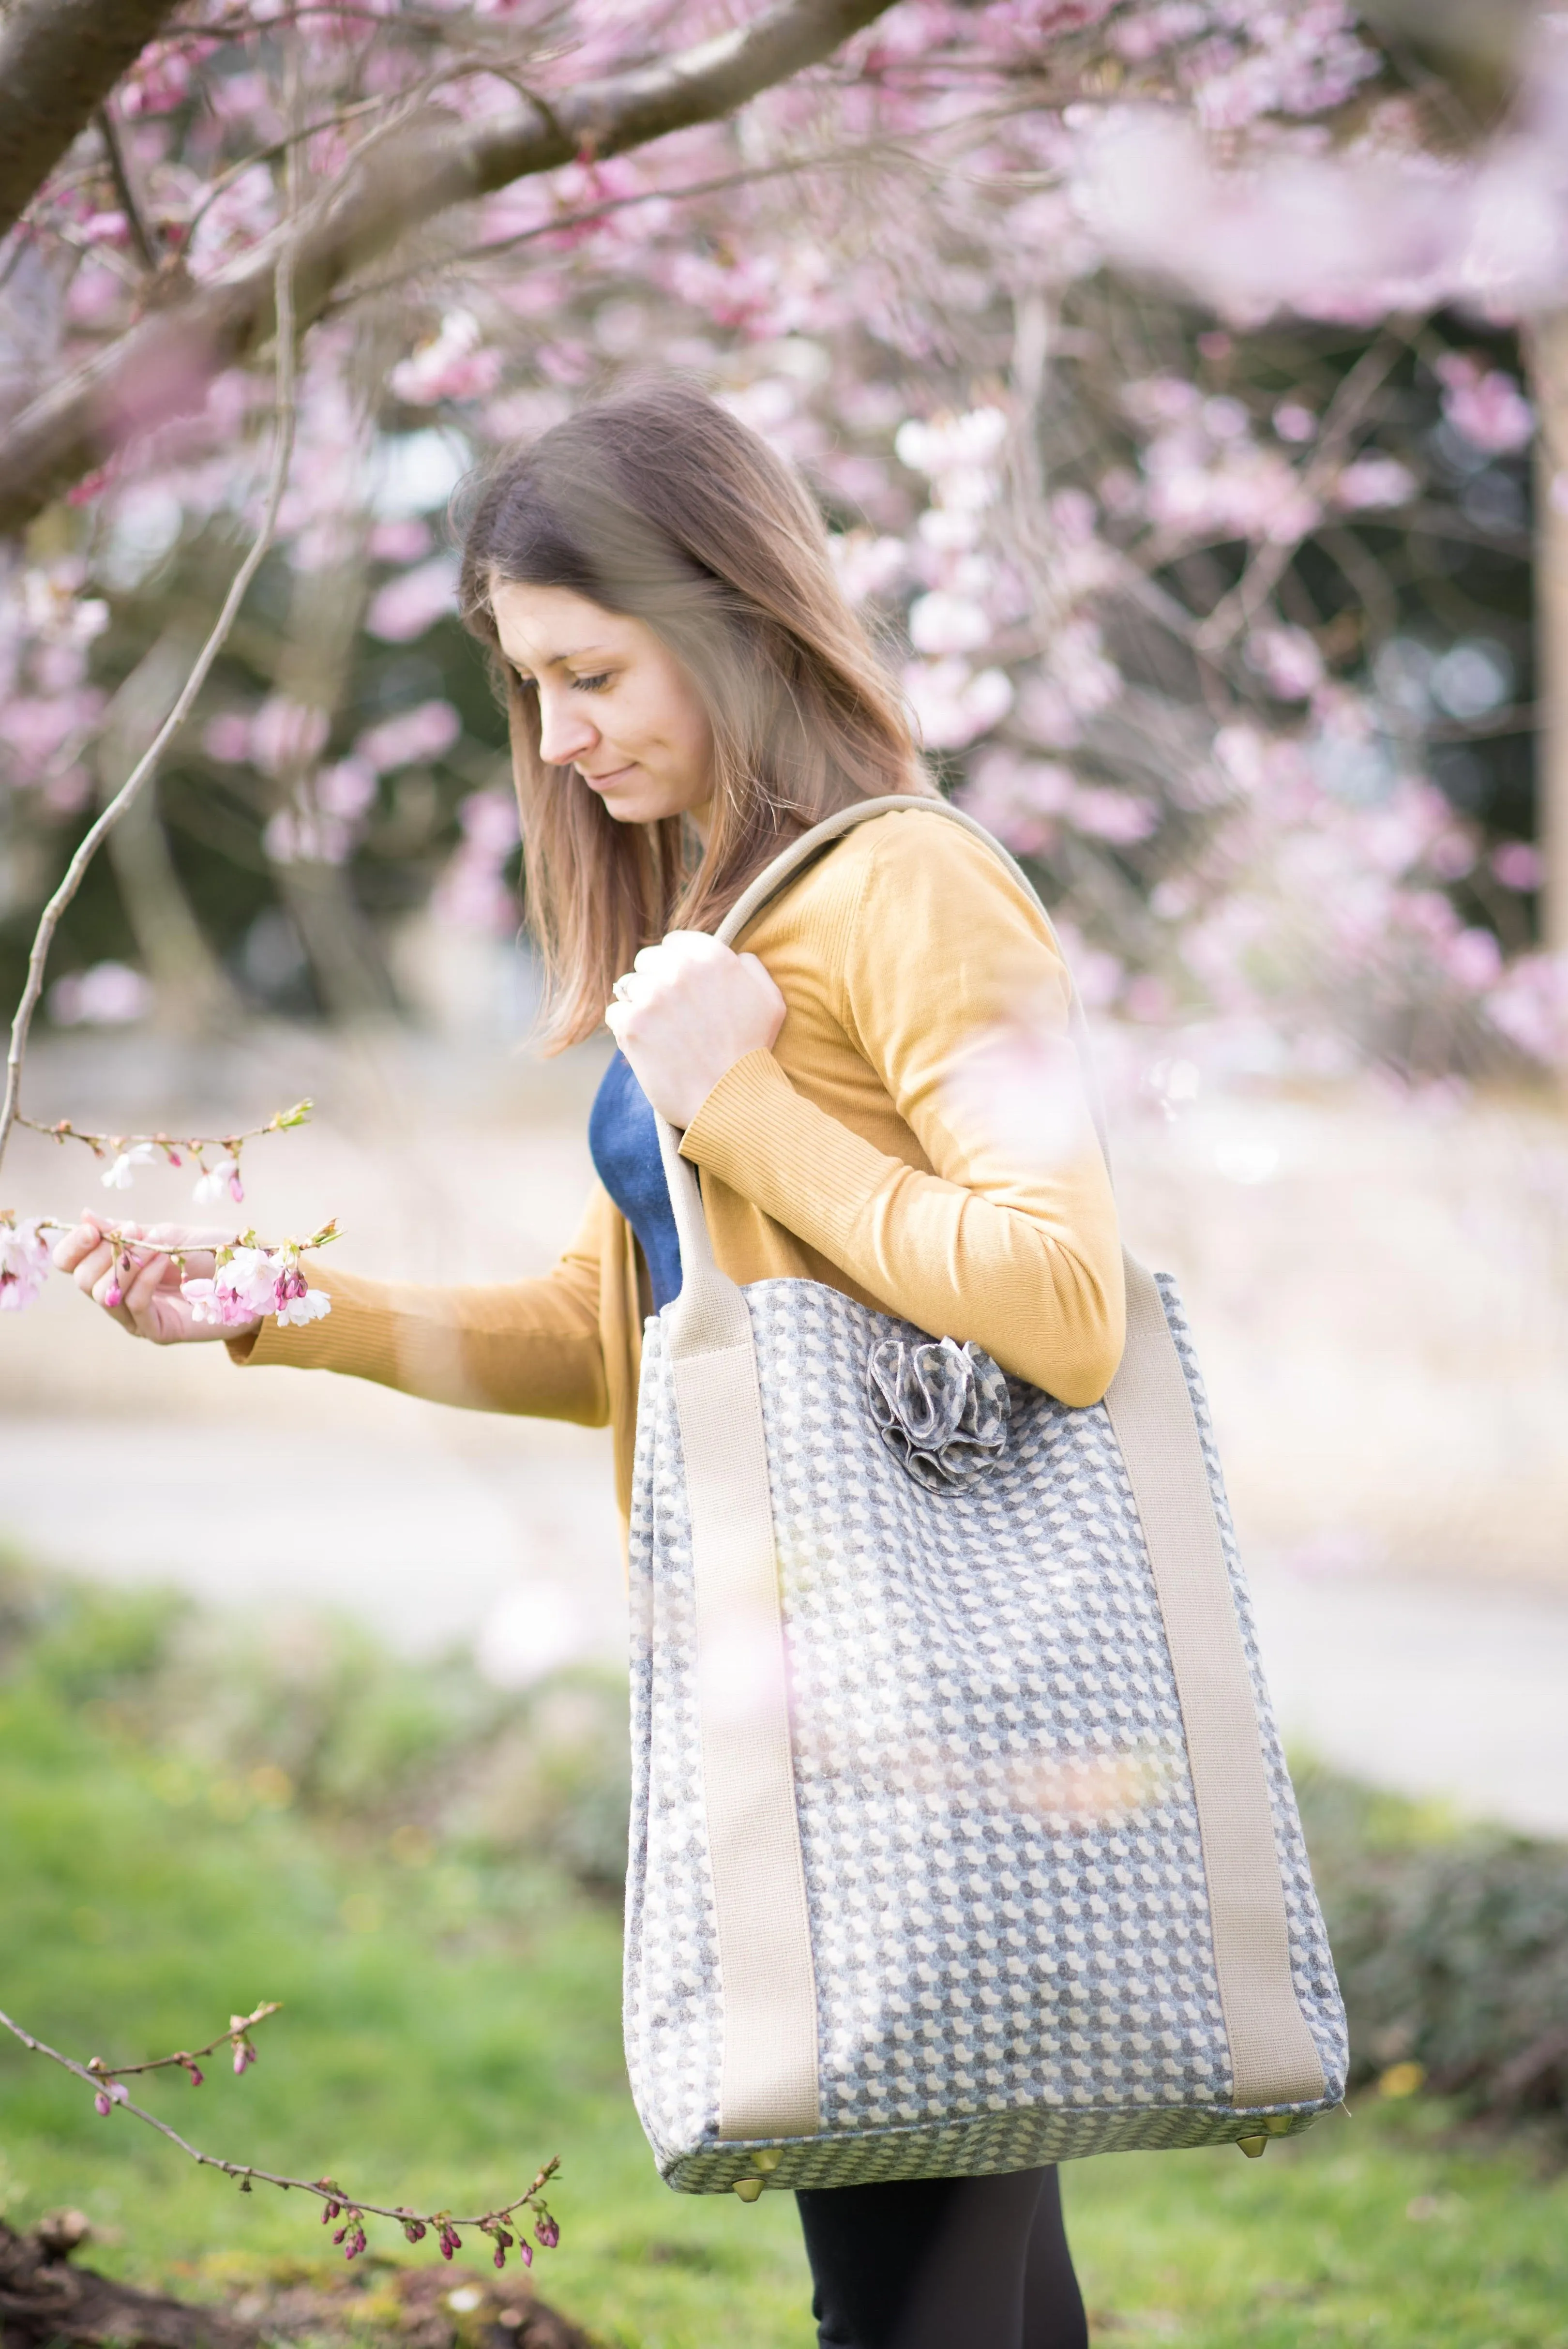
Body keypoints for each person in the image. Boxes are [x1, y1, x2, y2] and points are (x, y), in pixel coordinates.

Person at [55, 380, 1123, 2349]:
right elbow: (602, 1328)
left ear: (728, 616)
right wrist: (269, 1303)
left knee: (908, 2293)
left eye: (592, 671)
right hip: (784, 1677)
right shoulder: (709, 923)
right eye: (530, 689)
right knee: (957, 2286)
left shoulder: (911, 889)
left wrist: (741, 1102)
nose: (559, 738)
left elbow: (1066, 1296)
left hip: (919, 1675)